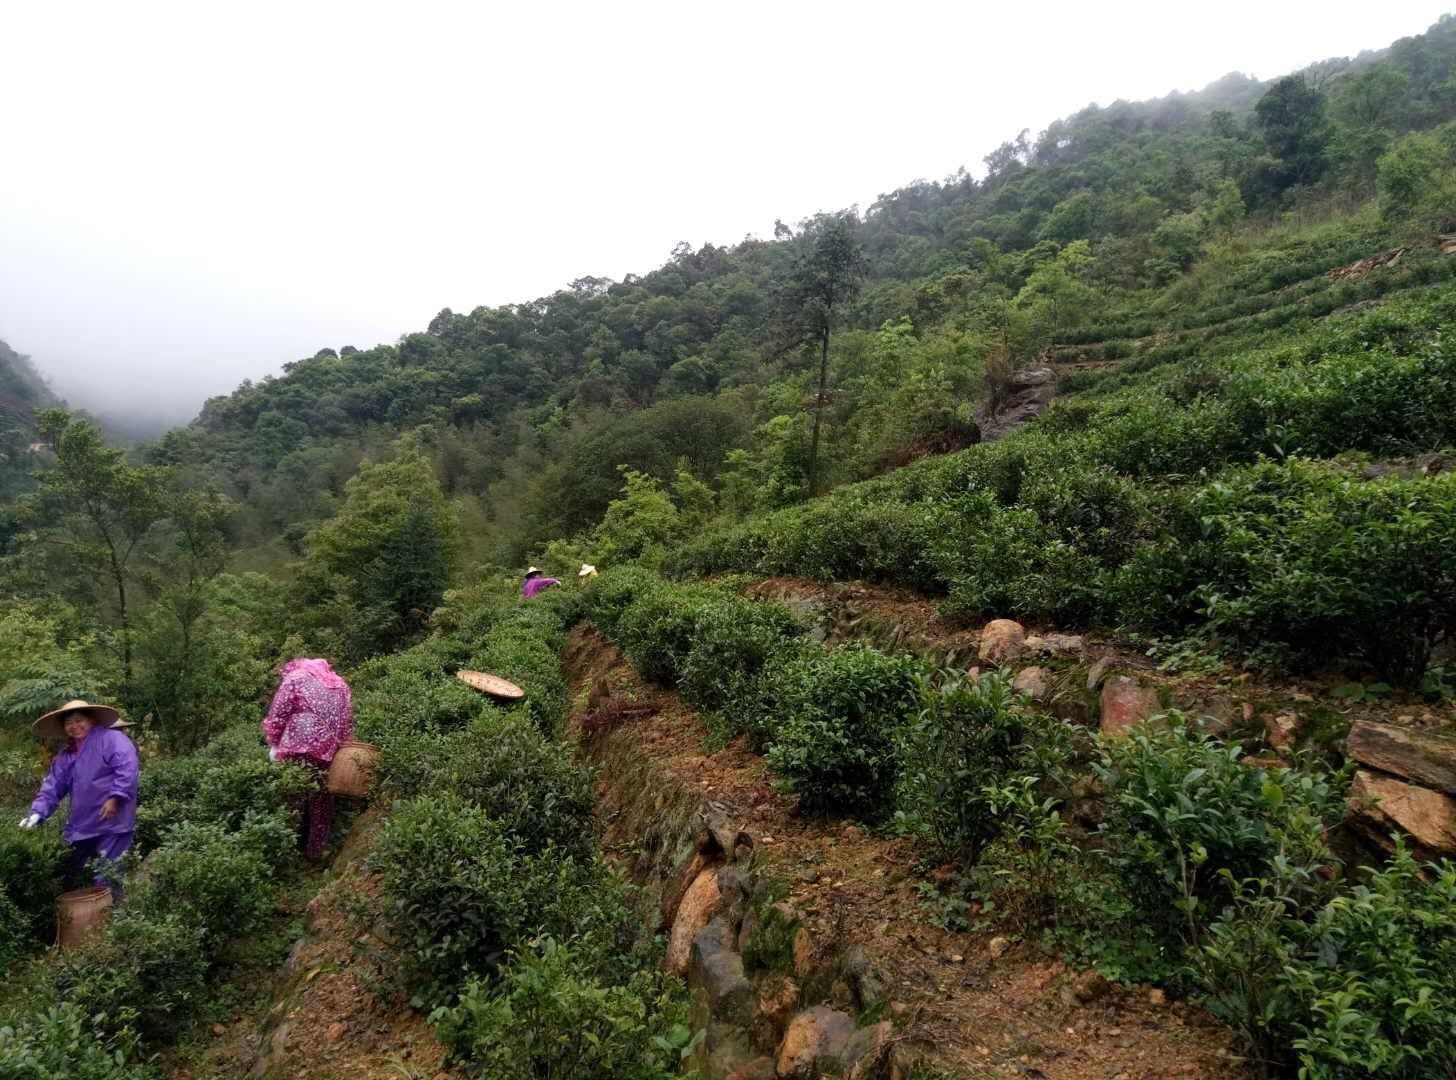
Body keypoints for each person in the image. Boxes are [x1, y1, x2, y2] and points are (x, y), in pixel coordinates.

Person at [18, 700, 139, 900]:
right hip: (84, 824)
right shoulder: (67, 754)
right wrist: (37, 813)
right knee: (71, 870)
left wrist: (115, 797)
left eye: (78, 720)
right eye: (69, 723)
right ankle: (79, 916)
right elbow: (53, 786)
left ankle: (112, 920)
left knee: (107, 875)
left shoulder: (111, 739)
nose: (74, 726)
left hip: (113, 822)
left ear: (91, 719)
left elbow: (127, 767)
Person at [262, 659, 354, 860]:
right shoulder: (340, 684)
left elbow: (278, 715)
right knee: (321, 802)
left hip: (297, 745)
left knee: (291, 797)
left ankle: (285, 853)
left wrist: (274, 742)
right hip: (329, 750)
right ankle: (316, 852)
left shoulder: (296, 677)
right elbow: (347, 724)